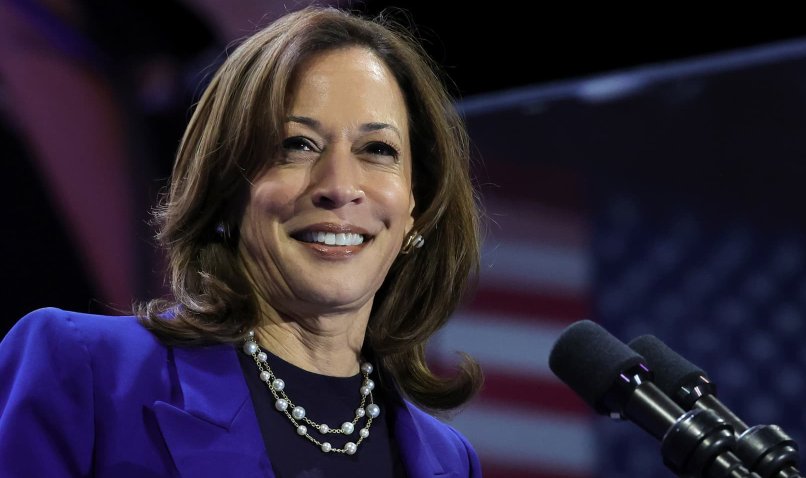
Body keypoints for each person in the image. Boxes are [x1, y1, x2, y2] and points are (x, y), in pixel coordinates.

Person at [0, 6, 484, 477]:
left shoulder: (448, 461)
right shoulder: (85, 371)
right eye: (296, 145)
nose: (339, 186)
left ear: (415, 210)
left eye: (377, 150)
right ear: (227, 191)